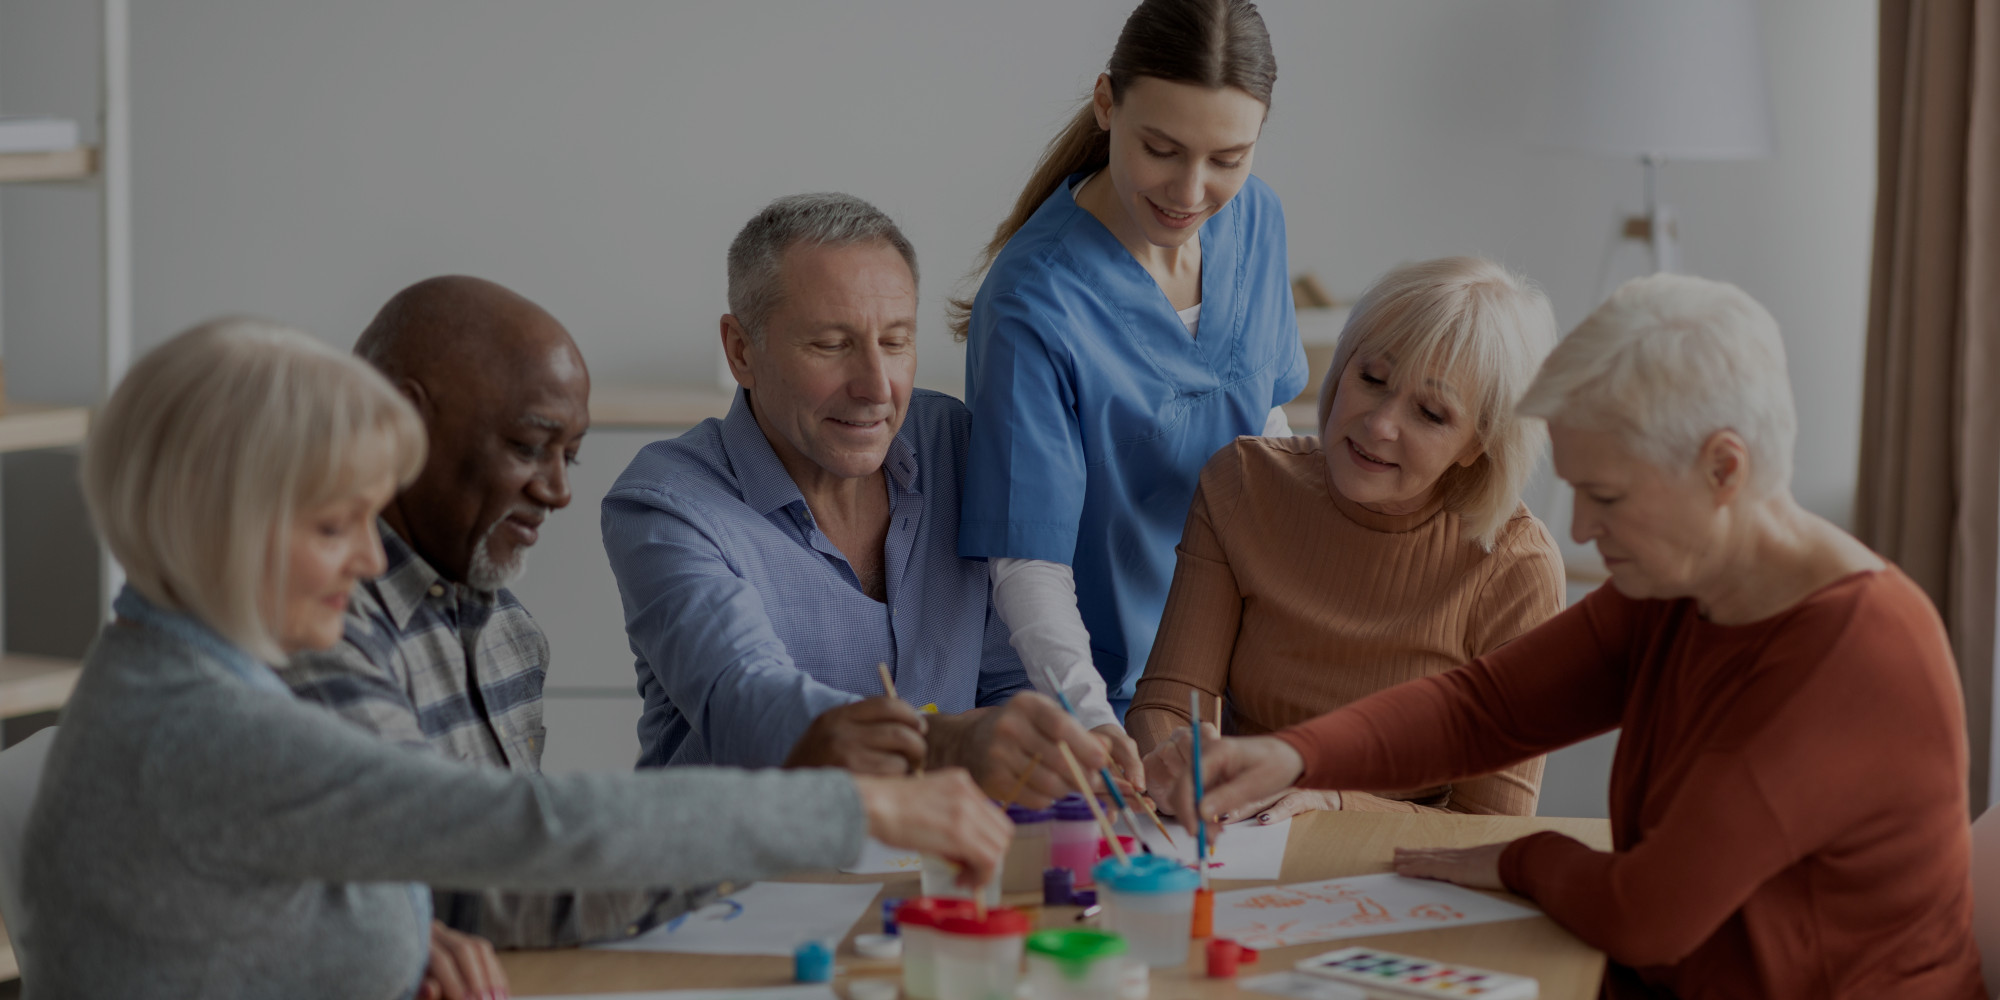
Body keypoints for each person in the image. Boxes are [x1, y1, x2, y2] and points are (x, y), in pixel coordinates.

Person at [22, 318, 1009, 1000]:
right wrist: (858, 804)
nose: (370, 558)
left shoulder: (166, 670)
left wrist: (392, 934)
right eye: (336, 526)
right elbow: (516, 826)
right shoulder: (200, 728)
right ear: (221, 524)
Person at [1180, 275, 1983, 998]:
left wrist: (1517, 858)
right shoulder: (1681, 580)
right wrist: (1292, 756)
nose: (1584, 529)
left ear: (1724, 470)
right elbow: (1485, 709)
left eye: (1606, 496)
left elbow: (1648, 916)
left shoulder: (1855, 660)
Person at [601, 193, 1111, 806]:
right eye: (831, 345)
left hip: (927, 875)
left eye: (895, 343)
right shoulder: (666, 502)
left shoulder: (959, 446)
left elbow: (1006, 684)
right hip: (743, 886)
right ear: (741, 351)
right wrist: (941, 744)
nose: (876, 387)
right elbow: (747, 705)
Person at [281, 275, 690, 950]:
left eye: (571, 457)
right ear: (399, 426)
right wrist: (774, 823)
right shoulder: (320, 630)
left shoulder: (509, 630)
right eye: (530, 448)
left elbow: (530, 860)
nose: (559, 492)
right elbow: (466, 890)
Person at [954, 0, 1309, 768]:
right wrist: (1089, 719)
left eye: (1227, 158)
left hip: (1226, 683)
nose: (1190, 191)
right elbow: (1028, 557)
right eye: (1162, 148)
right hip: (1087, 692)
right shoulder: (1033, 302)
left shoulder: (1257, 220)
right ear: (1107, 103)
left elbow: (1264, 421)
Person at [1129, 257, 1563, 822]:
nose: (1379, 424)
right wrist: (1178, 762)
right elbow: (1171, 697)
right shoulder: (1243, 484)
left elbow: (1492, 827)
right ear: (1341, 367)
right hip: (1236, 840)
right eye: (1372, 379)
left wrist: (1335, 802)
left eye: (1431, 413)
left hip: (1400, 871)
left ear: (1476, 445)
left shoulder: (1515, 567)